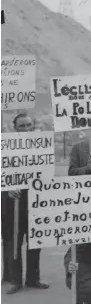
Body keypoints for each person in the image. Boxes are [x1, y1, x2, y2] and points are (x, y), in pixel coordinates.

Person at [1, 113, 50, 294]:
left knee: (35, 240)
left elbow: (46, 174)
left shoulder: (41, 148)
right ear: (15, 128)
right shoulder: (5, 148)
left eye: (28, 125)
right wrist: (6, 189)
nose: (25, 129)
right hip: (12, 200)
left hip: (34, 200)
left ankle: (33, 278)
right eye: (21, 126)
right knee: (14, 240)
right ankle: (15, 280)